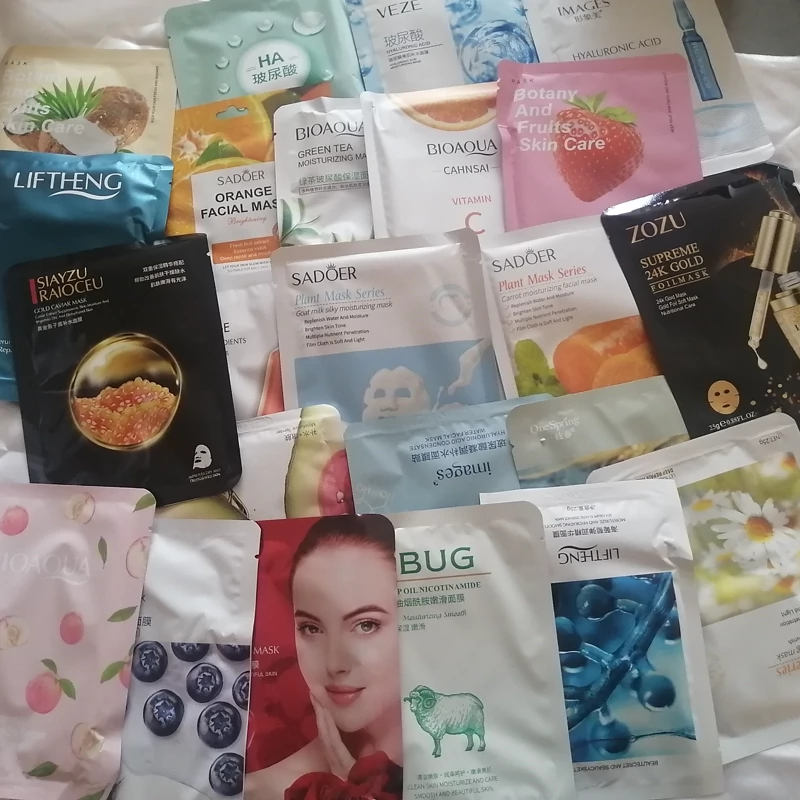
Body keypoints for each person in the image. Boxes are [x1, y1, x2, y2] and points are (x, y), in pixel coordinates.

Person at [246, 516, 402, 800]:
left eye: (366, 625)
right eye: (311, 628)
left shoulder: (476, 761)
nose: (334, 665)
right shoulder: (258, 792)